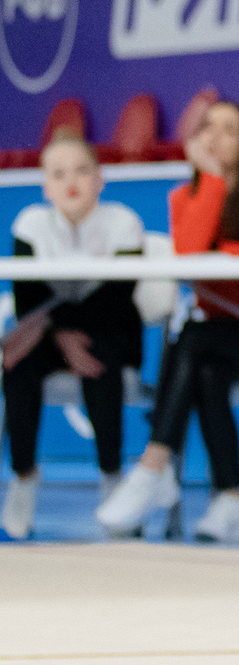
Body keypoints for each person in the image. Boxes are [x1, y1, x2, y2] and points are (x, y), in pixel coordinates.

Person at [95, 101, 239, 546]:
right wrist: (212, 180)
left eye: (229, 129)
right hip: (222, 336)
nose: (215, 137)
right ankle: (230, 498)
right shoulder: (186, 196)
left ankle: (154, 465)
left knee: (191, 338)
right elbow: (190, 253)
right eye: (207, 128)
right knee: (206, 368)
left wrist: (233, 254)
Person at [3, 133, 146, 540]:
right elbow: (27, 297)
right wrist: (61, 334)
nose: (72, 182)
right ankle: (24, 476)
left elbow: (118, 299)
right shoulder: (30, 224)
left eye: (82, 171)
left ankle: (111, 479)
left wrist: (62, 325)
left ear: (100, 179)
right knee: (17, 362)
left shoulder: (123, 222)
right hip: (45, 338)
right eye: (58, 173)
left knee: (100, 358)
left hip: (110, 335)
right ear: (45, 185)